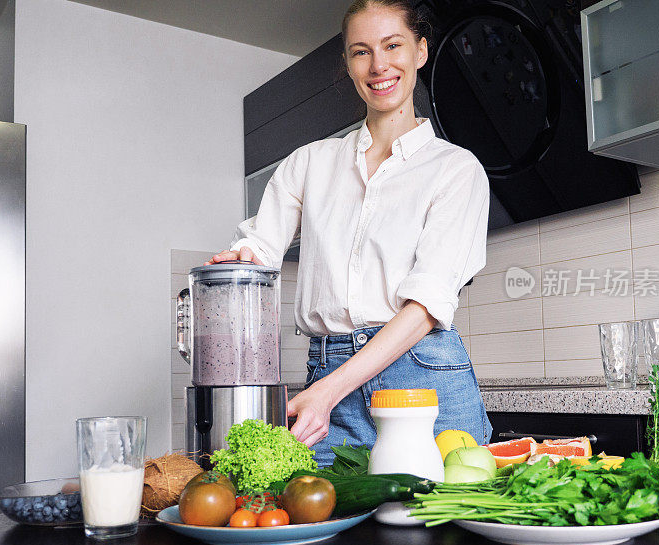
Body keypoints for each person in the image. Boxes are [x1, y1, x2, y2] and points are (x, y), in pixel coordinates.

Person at [207, 0, 492, 467]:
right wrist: (237, 262)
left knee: (445, 528)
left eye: (393, 45)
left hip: (420, 376)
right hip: (329, 370)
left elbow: (426, 307)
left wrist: (326, 392)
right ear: (349, 65)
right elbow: (260, 247)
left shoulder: (456, 170)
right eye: (362, 52)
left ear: (420, 51)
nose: (379, 65)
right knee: (315, 517)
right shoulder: (309, 163)